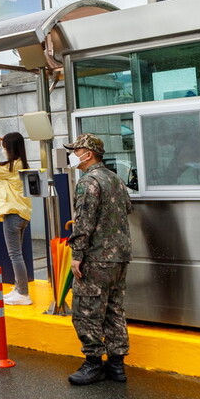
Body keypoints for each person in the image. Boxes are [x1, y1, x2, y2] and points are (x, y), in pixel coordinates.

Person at [64, 133, 133, 386]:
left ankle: (93, 364)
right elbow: (127, 209)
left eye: (76, 150)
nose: (73, 154)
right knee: (114, 310)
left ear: (88, 153)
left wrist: (77, 256)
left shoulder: (88, 181)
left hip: (96, 259)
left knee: (86, 312)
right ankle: (116, 365)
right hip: (120, 257)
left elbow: (83, 222)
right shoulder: (115, 179)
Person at [0, 132, 33, 305]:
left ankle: (23, 294)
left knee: (15, 255)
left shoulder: (11, 167)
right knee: (17, 254)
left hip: (13, 213)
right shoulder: (22, 164)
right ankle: (19, 289)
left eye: (4, 147)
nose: (2, 150)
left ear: (9, 148)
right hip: (22, 213)